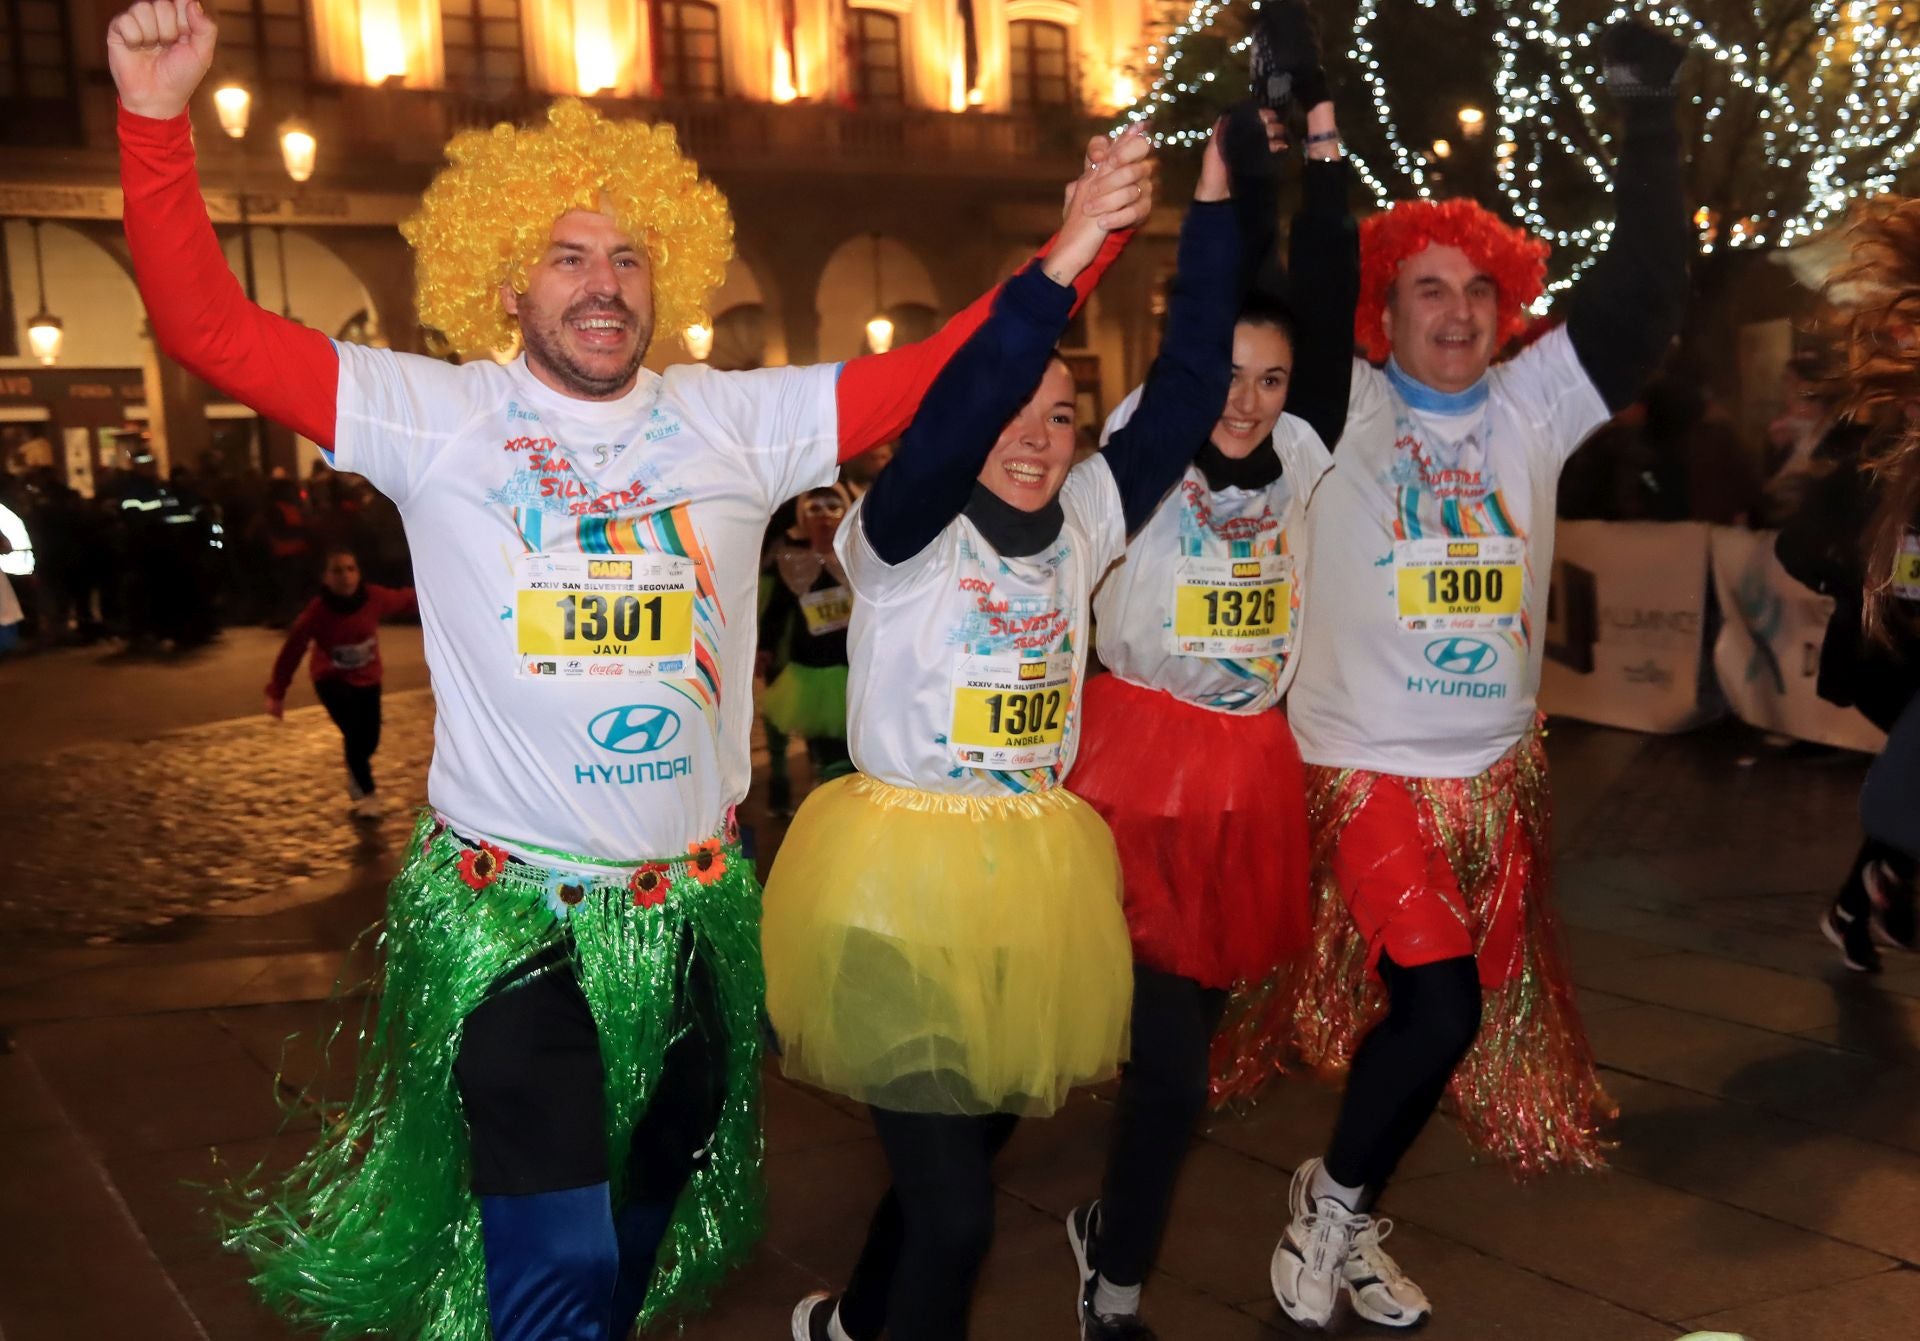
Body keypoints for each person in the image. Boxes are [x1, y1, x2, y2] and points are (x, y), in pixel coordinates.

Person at [105, 4, 1152, 1339]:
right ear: (505, 283)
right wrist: (152, 120)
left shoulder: (732, 421)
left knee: (637, 1236)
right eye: (567, 256)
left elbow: (944, 376)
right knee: (555, 1281)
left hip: (697, 930)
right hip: (511, 930)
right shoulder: (439, 417)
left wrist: (1078, 246)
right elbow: (206, 328)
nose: (605, 283)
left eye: (631, 258)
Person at [765, 118, 1248, 1341]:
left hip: (1027, 884)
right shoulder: (904, 527)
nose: (1038, 440)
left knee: (956, 1178)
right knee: (961, 1219)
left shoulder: (1087, 520)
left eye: (1064, 418)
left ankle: (854, 1324)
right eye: (1016, 416)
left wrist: (1215, 226)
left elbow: (1186, 391)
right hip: (897, 894)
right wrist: (1068, 257)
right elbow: (970, 392)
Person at [1264, 19, 1690, 1330]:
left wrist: (1647, 113)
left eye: (1474, 293)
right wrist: (1316, 133)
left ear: (1505, 313)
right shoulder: (1340, 407)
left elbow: (1644, 294)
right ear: (1382, 313)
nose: (1453, 314)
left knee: (1428, 1029)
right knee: (1441, 1007)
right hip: (1365, 771)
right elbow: (1314, 259)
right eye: (1424, 292)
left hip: (1494, 782)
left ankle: (1341, 1200)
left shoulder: (1528, 406)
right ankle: (1334, 1209)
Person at [1059, 7, 1354, 1335]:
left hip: (1243, 777)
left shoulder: (1298, 452)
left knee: (1179, 1057)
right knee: (1163, 1069)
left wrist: (1319, 136)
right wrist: (1237, 157)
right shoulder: (1148, 433)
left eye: (1271, 378)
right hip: (1135, 765)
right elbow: (1210, 323)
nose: (1246, 399)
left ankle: (1102, 1229)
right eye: (1232, 371)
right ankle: (1113, 1284)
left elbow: (1330, 292)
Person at [1777, 199, 1920, 971]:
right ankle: (1883, 885)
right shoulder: (1872, 463)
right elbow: (1795, 545)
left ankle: (1863, 901)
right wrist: (1864, 572)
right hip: (1880, 659)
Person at [264, 546, 418, 819]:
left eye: (351, 569)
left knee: (370, 738)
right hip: (331, 679)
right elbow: (292, 651)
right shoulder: (316, 613)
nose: (345, 576)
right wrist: (277, 692)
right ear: (326, 577)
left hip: (368, 678)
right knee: (355, 733)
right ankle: (368, 795)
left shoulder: (374, 597)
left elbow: (408, 600)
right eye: (337, 570)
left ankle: (355, 769)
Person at [757, 483, 857, 788]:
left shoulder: (859, 558)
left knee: (852, 747)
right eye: (815, 508)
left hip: (853, 665)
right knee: (825, 751)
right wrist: (765, 648)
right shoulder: (792, 563)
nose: (824, 516)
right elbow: (777, 610)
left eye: (832, 506)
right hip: (810, 671)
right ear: (803, 516)